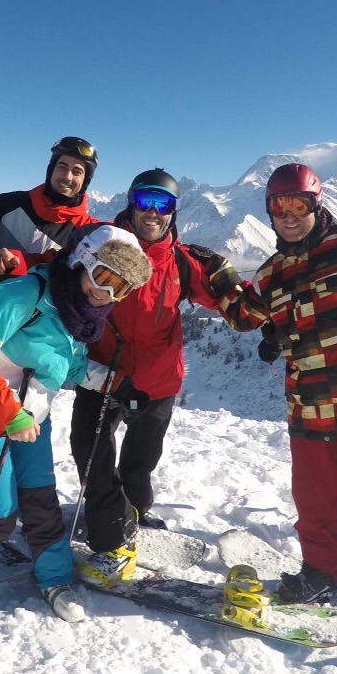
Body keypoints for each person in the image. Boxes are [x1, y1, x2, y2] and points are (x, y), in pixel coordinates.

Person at [204, 162, 337, 609]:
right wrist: (219, 274)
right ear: (269, 211)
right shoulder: (270, 274)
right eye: (278, 206)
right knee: (314, 501)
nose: (288, 214)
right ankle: (321, 570)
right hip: (309, 408)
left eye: (298, 204)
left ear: (315, 204)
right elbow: (246, 315)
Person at [0, 224, 152, 622]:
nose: (107, 293)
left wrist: (116, 384)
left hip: (29, 423)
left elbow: (66, 364)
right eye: (104, 277)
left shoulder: (78, 314)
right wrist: (11, 413)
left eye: (121, 288)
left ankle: (54, 578)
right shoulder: (23, 294)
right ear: (82, 261)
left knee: (41, 505)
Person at [71, 168, 226, 587]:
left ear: (174, 211)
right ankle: (110, 526)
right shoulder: (105, 241)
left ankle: (136, 510)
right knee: (89, 451)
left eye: (163, 205)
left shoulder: (182, 261)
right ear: (131, 203)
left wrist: (243, 292)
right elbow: (61, 264)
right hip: (103, 374)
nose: (153, 213)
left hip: (158, 380)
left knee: (139, 462)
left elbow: (231, 303)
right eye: (146, 202)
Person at [0, 136, 100, 256]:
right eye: (62, 167)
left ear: (85, 181)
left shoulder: (88, 231)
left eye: (77, 171)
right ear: (51, 170)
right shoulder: (10, 204)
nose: (67, 176)